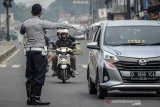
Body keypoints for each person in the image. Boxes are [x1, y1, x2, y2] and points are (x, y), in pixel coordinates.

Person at [20, 4, 75, 105]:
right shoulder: (42, 22)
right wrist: (70, 26)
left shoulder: (25, 23)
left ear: (31, 12)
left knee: (30, 74)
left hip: (29, 51)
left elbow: (22, 32)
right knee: (39, 74)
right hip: (39, 51)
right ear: (41, 12)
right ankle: (36, 98)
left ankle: (29, 98)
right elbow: (56, 25)